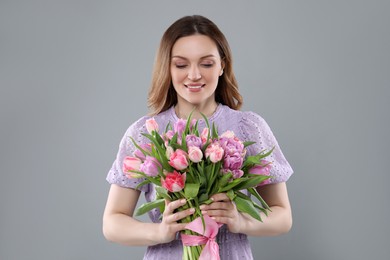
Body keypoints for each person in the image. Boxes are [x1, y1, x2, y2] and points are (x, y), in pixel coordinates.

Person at [103, 15, 293, 260]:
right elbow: (112, 222)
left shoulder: (248, 127)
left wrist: (240, 221)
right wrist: (161, 231)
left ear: (222, 65)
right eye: (181, 65)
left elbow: (283, 217)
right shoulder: (147, 132)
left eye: (206, 64)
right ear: (167, 68)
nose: (194, 75)